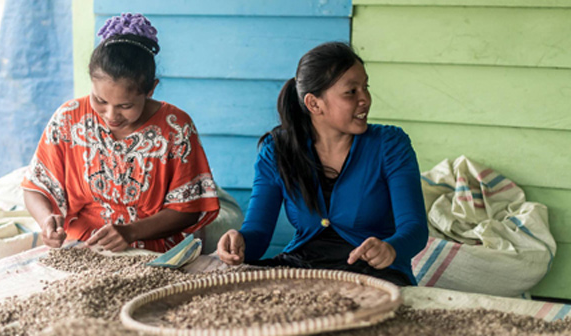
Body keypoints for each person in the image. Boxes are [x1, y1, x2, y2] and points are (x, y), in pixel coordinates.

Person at [216, 42, 428, 286]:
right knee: (227, 290)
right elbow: (258, 234)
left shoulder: (390, 144)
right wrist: (238, 242)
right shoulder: (276, 151)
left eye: (365, 87)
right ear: (314, 104)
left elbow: (414, 229)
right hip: (303, 268)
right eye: (351, 92)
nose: (365, 99)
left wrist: (391, 248)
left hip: (375, 274)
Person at [22, 13, 220, 253]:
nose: (110, 115)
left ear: (150, 90)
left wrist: (131, 232)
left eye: (125, 106)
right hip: (80, 246)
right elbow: (35, 187)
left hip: (153, 250)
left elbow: (189, 209)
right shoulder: (68, 119)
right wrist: (46, 220)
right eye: (100, 100)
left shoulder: (176, 128)